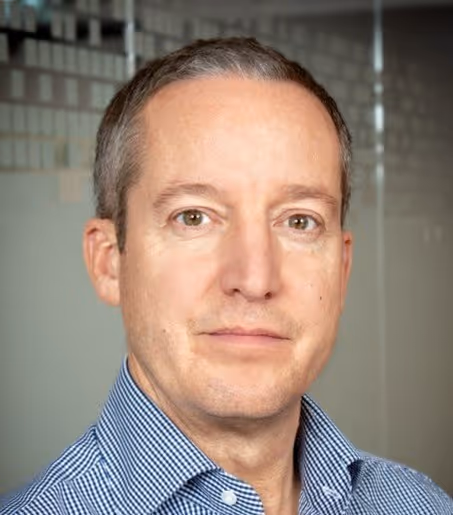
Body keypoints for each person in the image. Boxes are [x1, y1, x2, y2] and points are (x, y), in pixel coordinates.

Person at [1, 37, 451, 515]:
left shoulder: (420, 505)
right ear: (109, 261)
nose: (254, 280)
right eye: (193, 217)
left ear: (342, 270)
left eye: (300, 221)